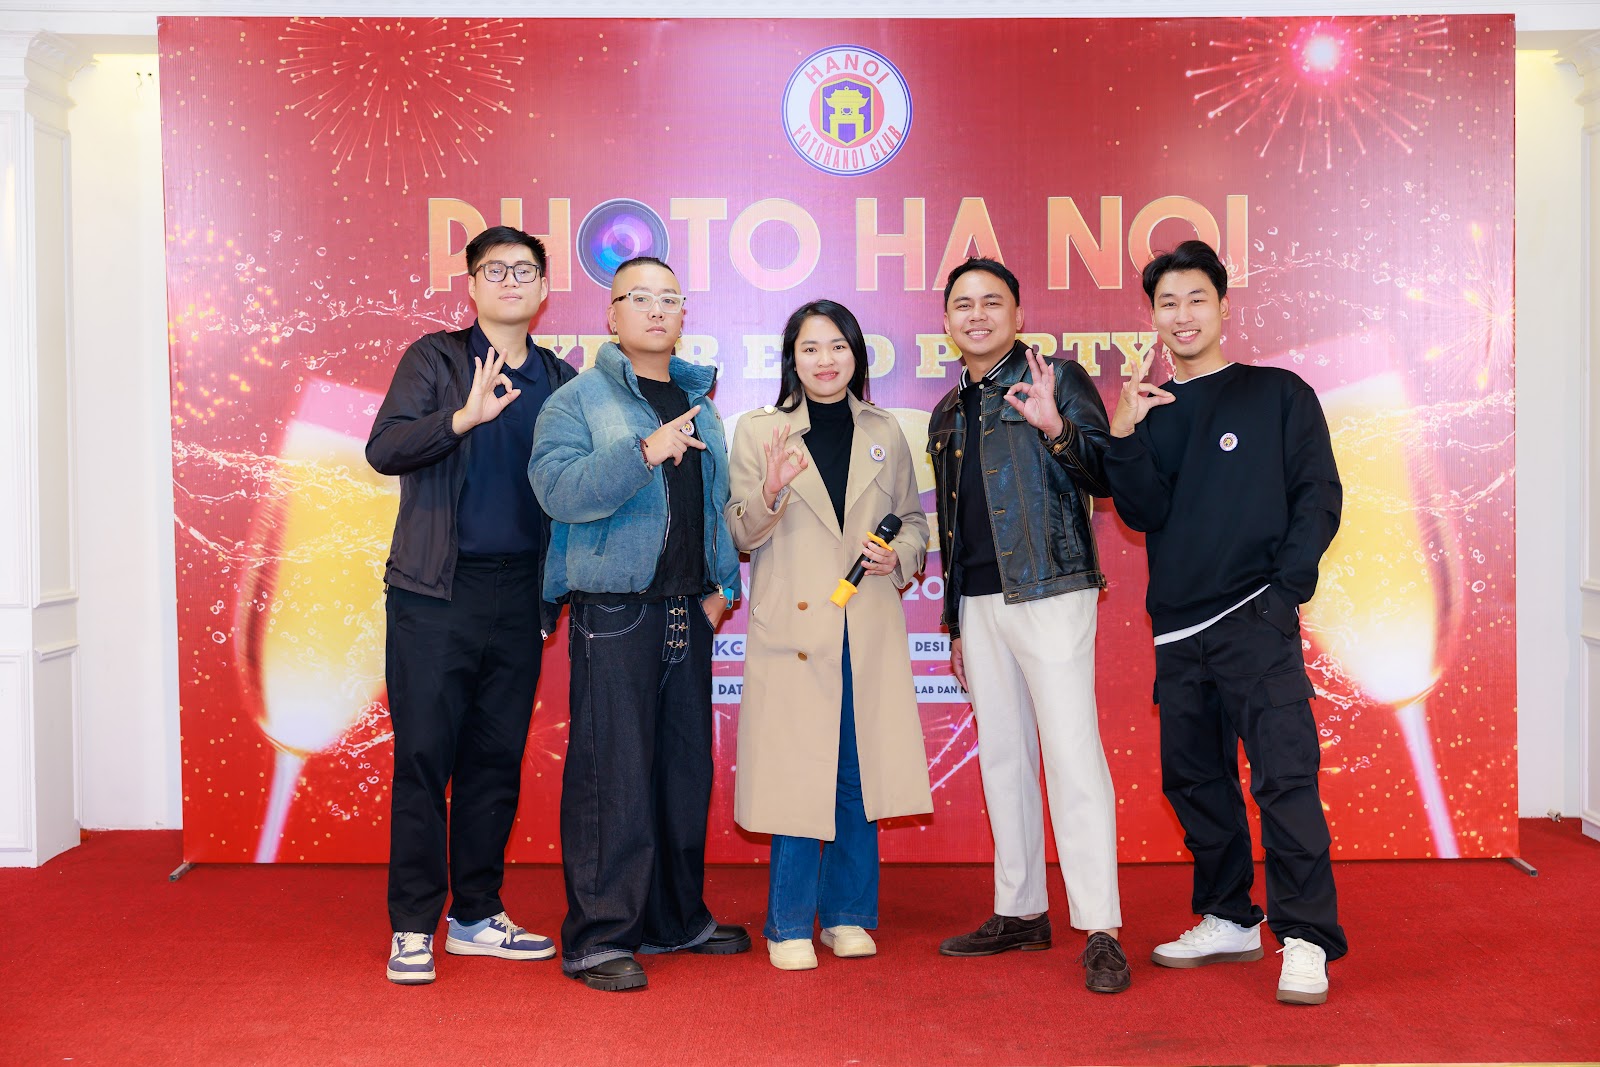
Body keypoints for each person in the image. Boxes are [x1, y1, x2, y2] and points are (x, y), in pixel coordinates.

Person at [1103, 238, 1347, 1005]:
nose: (1182, 315)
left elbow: (1318, 494)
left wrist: (1284, 593)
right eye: (1167, 303)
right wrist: (1122, 433)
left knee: (1285, 780)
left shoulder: (1278, 393)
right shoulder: (1152, 411)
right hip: (1178, 633)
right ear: (1153, 316)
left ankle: (1305, 937)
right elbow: (1142, 512)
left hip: (1255, 620)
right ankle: (1229, 916)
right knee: (1196, 781)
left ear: (1223, 307)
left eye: (1195, 299)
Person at [527, 256, 748, 992]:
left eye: (669, 299)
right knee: (611, 774)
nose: (656, 310)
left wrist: (722, 588)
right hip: (615, 611)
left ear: (683, 314)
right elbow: (557, 491)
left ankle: (674, 920)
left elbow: (713, 508)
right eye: (639, 298)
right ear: (611, 315)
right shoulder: (576, 400)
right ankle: (598, 938)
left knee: (683, 773)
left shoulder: (700, 403)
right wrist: (643, 452)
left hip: (688, 609)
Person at [366, 225, 576, 985]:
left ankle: (476, 915)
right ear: (473, 285)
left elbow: (573, 489)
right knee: (425, 758)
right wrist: (464, 417)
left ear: (544, 289)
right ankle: (412, 924)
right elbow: (384, 448)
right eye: (495, 270)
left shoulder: (561, 378)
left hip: (520, 592)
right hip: (434, 591)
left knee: (495, 758)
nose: (510, 281)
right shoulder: (436, 359)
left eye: (524, 270)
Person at [925, 257, 1130, 993]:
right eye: (963, 304)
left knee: (1072, 753)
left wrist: (1056, 429)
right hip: (979, 603)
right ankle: (1020, 910)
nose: (977, 314)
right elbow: (953, 530)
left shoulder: (1058, 378)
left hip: (1050, 588)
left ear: (1018, 313)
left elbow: (1107, 475)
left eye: (992, 302)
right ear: (947, 321)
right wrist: (953, 621)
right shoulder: (946, 413)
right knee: (1004, 758)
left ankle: (1100, 926)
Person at [726, 300, 933, 971]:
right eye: (810, 348)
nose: (825, 360)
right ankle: (787, 923)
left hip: (862, 622)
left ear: (856, 355)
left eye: (838, 346)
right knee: (796, 772)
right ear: (792, 357)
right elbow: (737, 529)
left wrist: (899, 556)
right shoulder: (760, 430)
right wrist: (772, 491)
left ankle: (848, 914)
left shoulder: (884, 430)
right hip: (794, 627)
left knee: (856, 771)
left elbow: (913, 520)